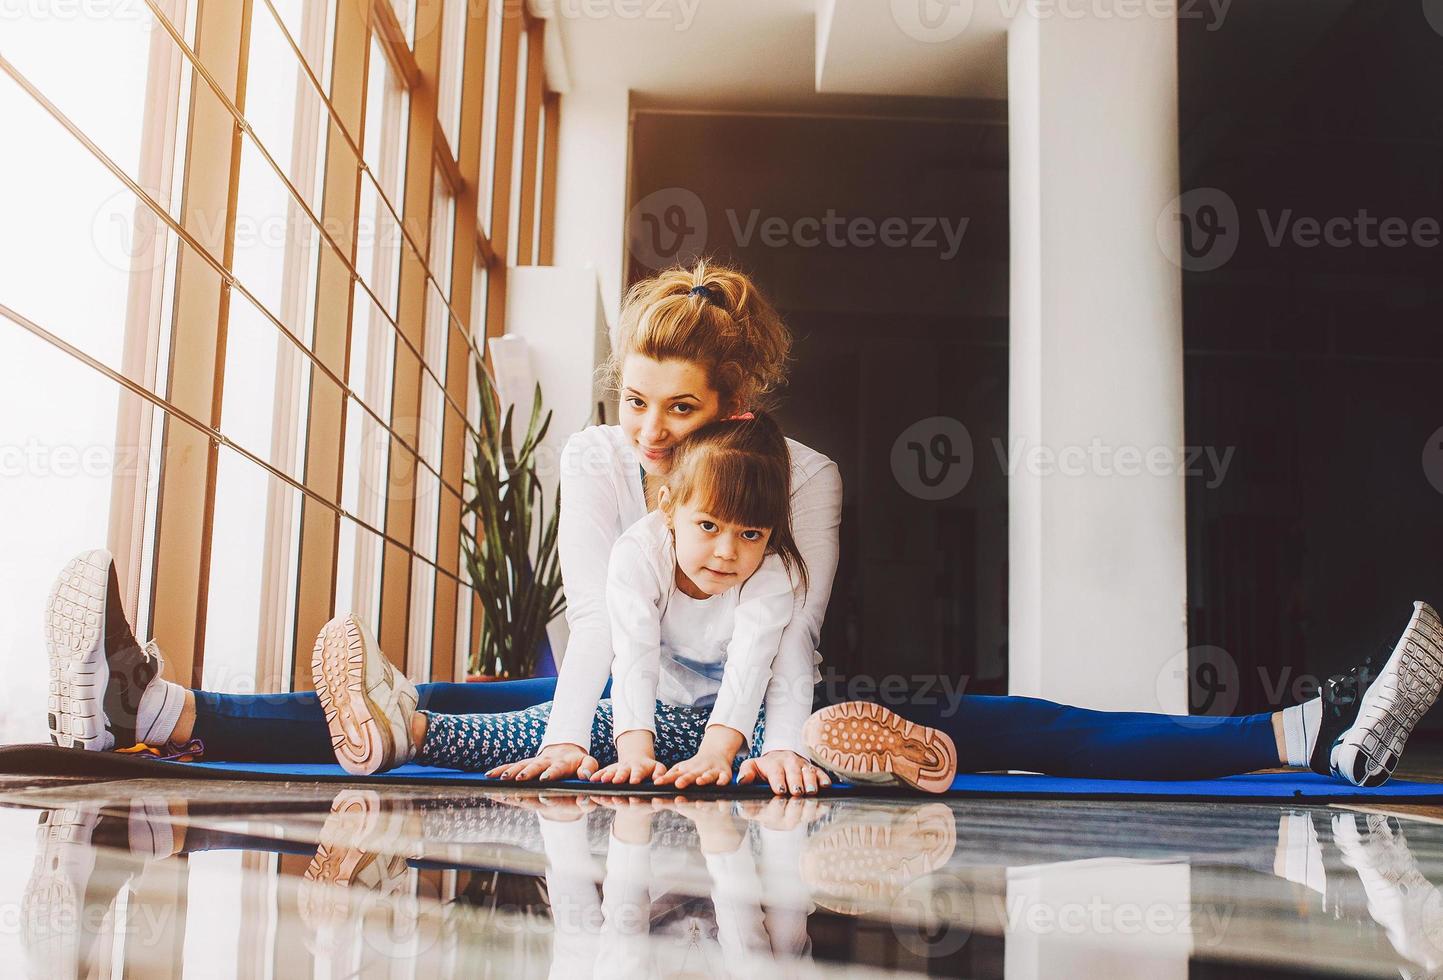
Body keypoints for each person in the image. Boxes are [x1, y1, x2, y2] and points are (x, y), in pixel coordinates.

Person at [41, 259, 1443, 794]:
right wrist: (602, 738)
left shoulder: (806, 478)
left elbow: (789, 621)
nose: (650, 429)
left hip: (768, 684)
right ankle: (156, 704)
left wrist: (761, 741)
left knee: (1002, 716)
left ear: (740, 404)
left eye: (681, 407)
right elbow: (599, 621)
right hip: (615, 679)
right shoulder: (599, 458)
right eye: (636, 399)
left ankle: (1307, 732)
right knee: (461, 695)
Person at [311, 413, 812, 788]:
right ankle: (409, 731)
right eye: (708, 526)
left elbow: (752, 668)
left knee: (791, 749)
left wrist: (719, 753)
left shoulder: (772, 573)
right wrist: (635, 751)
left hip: (747, 721)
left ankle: (867, 754)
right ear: (669, 508)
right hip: (656, 709)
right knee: (556, 724)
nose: (728, 552)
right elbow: (633, 655)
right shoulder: (639, 553)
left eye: (751, 533)